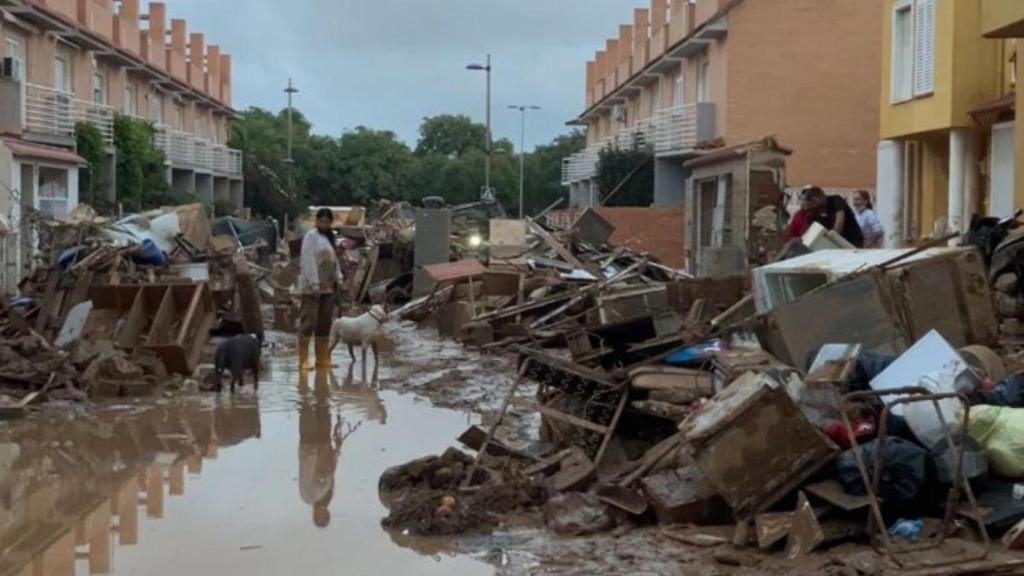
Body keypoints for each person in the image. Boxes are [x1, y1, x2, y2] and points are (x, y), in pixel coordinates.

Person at [298, 208, 344, 371]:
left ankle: (322, 359)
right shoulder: (311, 237)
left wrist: (339, 277)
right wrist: (314, 283)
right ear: (316, 221)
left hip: (328, 287)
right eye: (321, 221)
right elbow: (308, 259)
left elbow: (334, 261)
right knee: (309, 321)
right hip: (312, 288)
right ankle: (303, 360)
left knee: (324, 323)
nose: (324, 224)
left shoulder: (330, 238)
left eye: (327, 221)